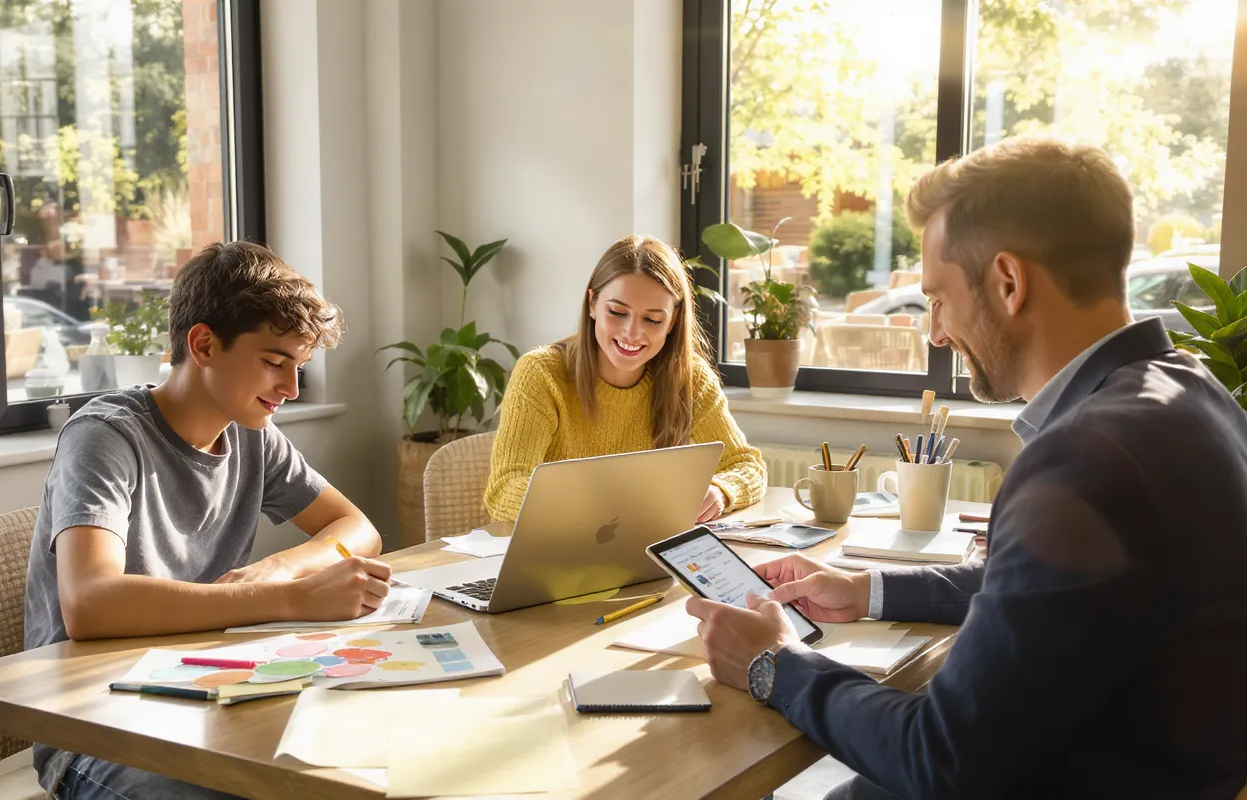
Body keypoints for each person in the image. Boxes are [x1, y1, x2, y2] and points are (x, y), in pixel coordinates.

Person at [688, 137, 1247, 799]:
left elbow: (943, 761)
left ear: (1009, 283)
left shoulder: (1086, 459)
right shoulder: (1190, 392)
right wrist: (867, 589)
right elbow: (1045, 588)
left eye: (939, 299)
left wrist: (772, 664)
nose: (936, 333)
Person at [24, 241, 394, 800]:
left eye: (300, 367)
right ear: (203, 344)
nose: (291, 390)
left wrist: (277, 570)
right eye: (274, 363)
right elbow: (90, 604)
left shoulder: (253, 435)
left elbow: (357, 528)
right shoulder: (105, 437)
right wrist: (292, 599)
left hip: (206, 690)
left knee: (368, 759)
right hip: (96, 726)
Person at [485, 234, 766, 523]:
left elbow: (746, 465)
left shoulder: (690, 379)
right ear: (592, 304)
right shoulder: (542, 374)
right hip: (559, 547)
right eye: (617, 312)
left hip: (648, 552)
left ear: (672, 321)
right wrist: (592, 508)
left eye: (653, 320)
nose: (632, 333)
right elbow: (505, 489)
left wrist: (720, 492)